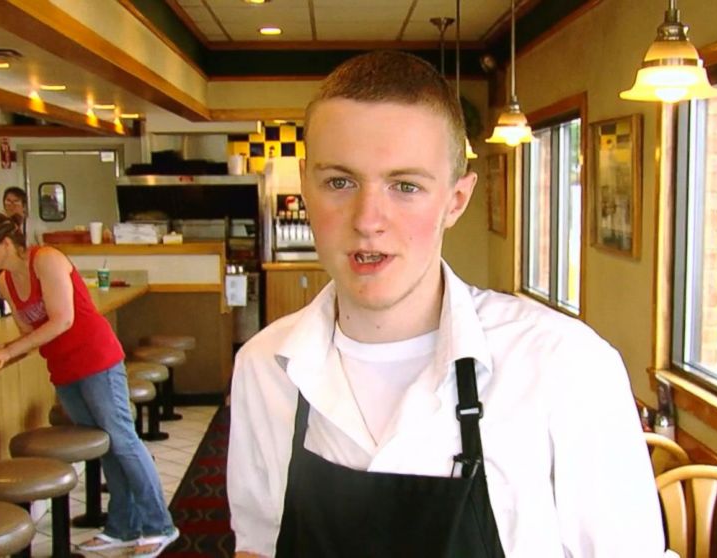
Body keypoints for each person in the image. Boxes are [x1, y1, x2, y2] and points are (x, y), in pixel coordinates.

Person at [227, 50, 666, 557]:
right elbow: (257, 546)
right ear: (306, 187)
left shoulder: (565, 368)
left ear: (455, 200)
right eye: (340, 182)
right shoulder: (263, 368)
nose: (368, 219)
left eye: (406, 186)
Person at [0, 213, 179, 558]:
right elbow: (29, 333)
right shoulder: (7, 281)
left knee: (123, 441)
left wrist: (10, 350)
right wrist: (2, 350)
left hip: (97, 359)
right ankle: (122, 528)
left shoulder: (47, 259)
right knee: (104, 445)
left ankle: (160, 525)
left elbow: (63, 319)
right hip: (64, 369)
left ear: (6, 243)